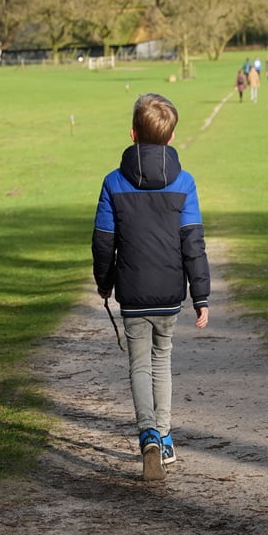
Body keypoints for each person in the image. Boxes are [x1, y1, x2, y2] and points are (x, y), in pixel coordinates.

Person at [92, 93, 210, 482]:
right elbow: (193, 241)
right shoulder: (186, 182)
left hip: (132, 292)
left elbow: (103, 241)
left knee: (139, 364)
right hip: (169, 294)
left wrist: (104, 283)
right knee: (163, 362)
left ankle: (147, 437)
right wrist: (201, 295)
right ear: (172, 138)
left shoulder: (112, 181)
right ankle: (164, 435)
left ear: (132, 133)